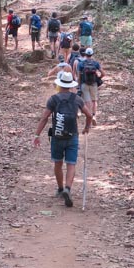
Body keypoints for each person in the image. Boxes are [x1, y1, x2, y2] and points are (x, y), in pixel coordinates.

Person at [33, 70, 93, 208]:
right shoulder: (77, 99)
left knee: (58, 163)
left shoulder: (53, 99)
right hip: (73, 136)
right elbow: (89, 115)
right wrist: (86, 127)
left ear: (59, 85)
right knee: (71, 163)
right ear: (71, 85)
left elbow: (44, 118)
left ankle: (60, 189)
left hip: (57, 136)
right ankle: (68, 188)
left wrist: (37, 135)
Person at [78, 47, 104, 120]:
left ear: (85, 54)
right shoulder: (96, 63)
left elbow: (79, 76)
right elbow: (103, 73)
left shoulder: (81, 64)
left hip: (84, 84)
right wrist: (98, 78)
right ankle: (94, 116)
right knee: (94, 100)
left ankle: (88, 116)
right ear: (92, 54)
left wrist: (79, 85)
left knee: (87, 101)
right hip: (94, 84)